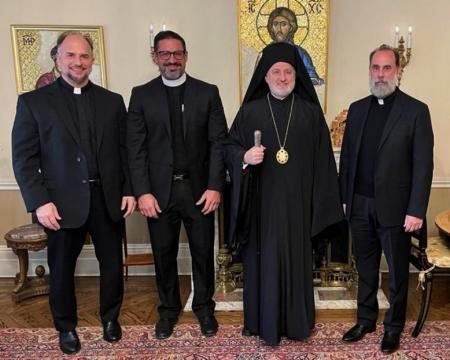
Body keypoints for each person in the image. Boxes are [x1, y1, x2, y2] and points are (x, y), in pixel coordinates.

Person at [11, 31, 136, 355]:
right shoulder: (33, 102)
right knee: (62, 270)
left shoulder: (112, 101)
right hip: (60, 203)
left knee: (111, 266)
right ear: (57, 58)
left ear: (92, 61)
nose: (77, 62)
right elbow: (24, 159)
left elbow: (125, 153)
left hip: (107, 199)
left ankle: (111, 319)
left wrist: (129, 190)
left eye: (84, 56)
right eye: (70, 55)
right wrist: (40, 202)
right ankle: (65, 327)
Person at [224, 42, 342, 345]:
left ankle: (297, 324)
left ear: (296, 75)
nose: (282, 77)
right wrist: (245, 158)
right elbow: (228, 148)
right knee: (263, 263)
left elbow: (325, 166)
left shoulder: (311, 114)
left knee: (296, 263)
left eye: (288, 71)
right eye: (275, 71)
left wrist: (324, 204)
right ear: (264, 76)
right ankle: (263, 323)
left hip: (299, 210)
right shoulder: (249, 112)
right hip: (261, 210)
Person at [127, 31, 227, 339]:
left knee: (202, 253)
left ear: (186, 55)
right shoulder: (141, 95)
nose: (172, 59)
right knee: (164, 254)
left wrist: (215, 186)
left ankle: (204, 310)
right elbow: (136, 147)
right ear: (154, 57)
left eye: (177, 53)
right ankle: (168, 311)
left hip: (198, 191)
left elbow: (218, 143)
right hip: (158, 193)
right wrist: (142, 191)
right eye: (165, 54)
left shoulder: (207, 92)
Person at [339, 44, 434, 354]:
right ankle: (366, 319)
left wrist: (416, 209)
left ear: (398, 71)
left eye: (387, 68)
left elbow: (423, 165)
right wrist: (344, 198)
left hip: (397, 209)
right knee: (365, 268)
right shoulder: (357, 108)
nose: (380, 74)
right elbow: (349, 158)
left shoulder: (416, 111)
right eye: (375, 68)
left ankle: (393, 327)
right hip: (360, 204)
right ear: (369, 71)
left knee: (396, 272)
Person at [263, 6, 324, 85]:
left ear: (291, 28)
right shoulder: (265, 54)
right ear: (271, 28)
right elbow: (257, 81)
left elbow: (312, 78)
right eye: (275, 24)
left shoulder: (301, 54)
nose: (279, 29)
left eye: (284, 24)